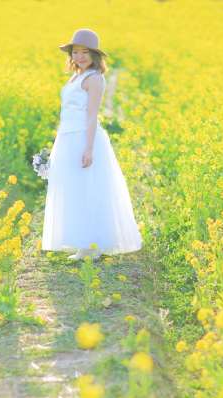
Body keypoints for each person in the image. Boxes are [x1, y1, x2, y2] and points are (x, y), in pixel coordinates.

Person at [40, 28, 142, 261]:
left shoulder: (94, 79)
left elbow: (91, 115)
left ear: (95, 55)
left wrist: (88, 148)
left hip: (84, 138)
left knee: (88, 189)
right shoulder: (75, 77)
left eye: (85, 52)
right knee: (75, 190)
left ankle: (93, 245)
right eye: (75, 52)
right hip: (67, 136)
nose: (80, 56)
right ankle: (84, 244)